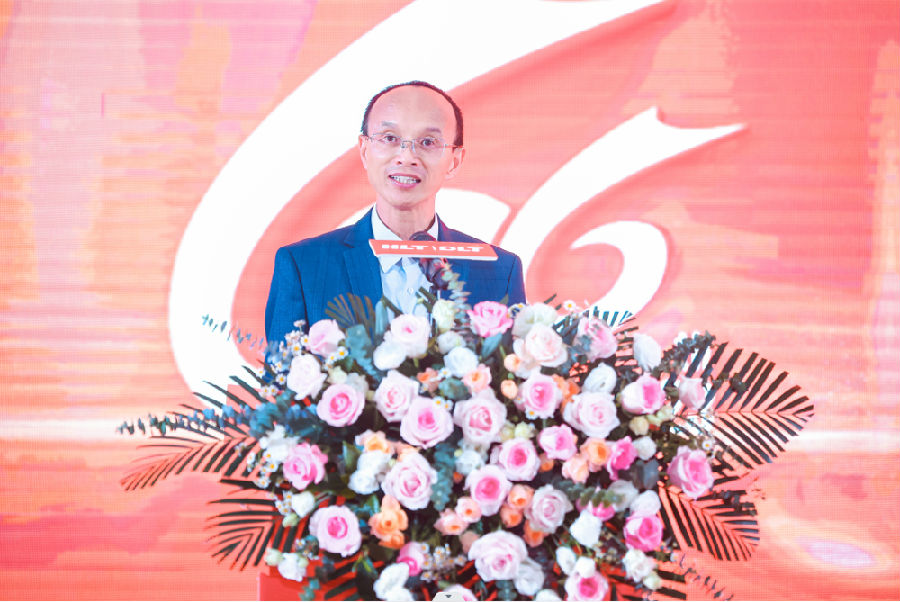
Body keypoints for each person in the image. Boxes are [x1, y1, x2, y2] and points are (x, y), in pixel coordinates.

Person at [264, 81, 527, 344]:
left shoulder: (499, 271)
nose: (406, 157)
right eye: (390, 138)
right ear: (364, 150)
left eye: (428, 142)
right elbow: (281, 369)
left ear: (454, 161)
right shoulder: (303, 266)